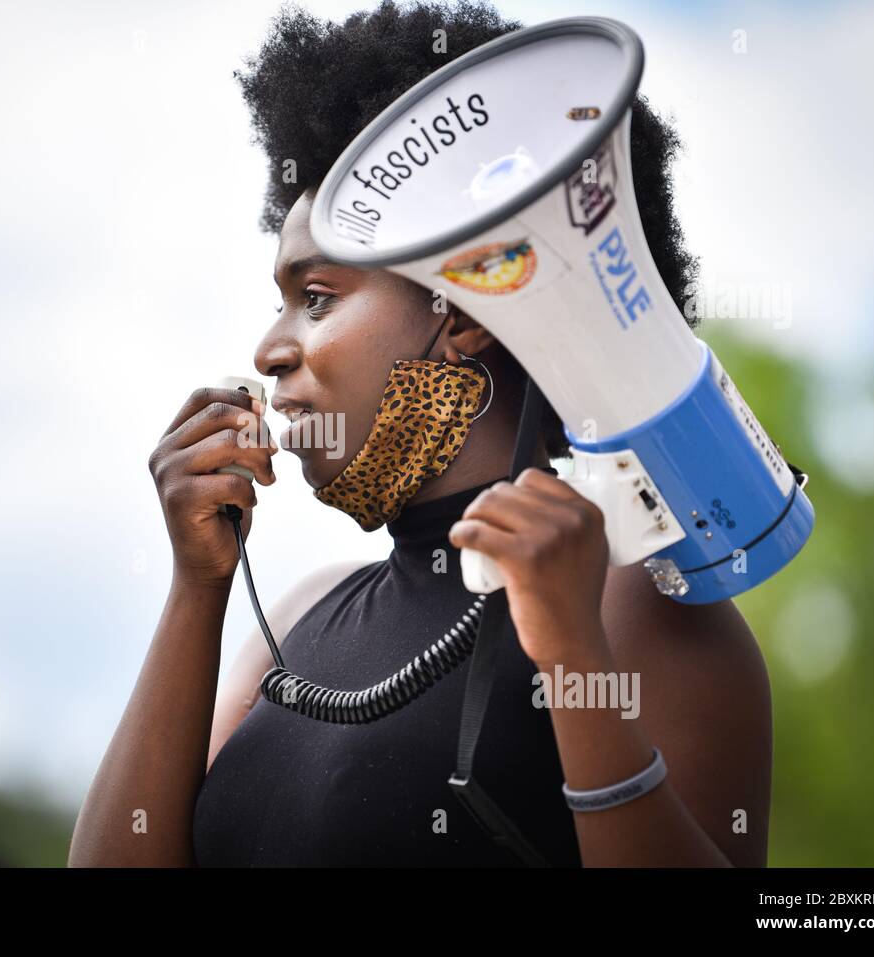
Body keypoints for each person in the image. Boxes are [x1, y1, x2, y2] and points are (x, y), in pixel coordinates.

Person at [69, 0, 771, 867]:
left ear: (465, 307)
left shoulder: (641, 605)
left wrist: (571, 653)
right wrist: (195, 586)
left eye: (315, 297)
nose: (270, 348)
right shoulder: (299, 615)